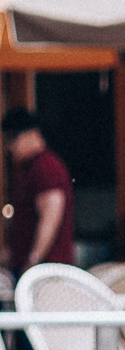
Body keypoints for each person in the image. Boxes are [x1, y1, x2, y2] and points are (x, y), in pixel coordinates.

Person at [1, 108, 75, 273]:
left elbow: (50, 218)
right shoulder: (29, 169)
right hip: (35, 269)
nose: (9, 147)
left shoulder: (47, 168)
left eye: (13, 138)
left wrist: (33, 260)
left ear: (32, 134)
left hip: (46, 271)